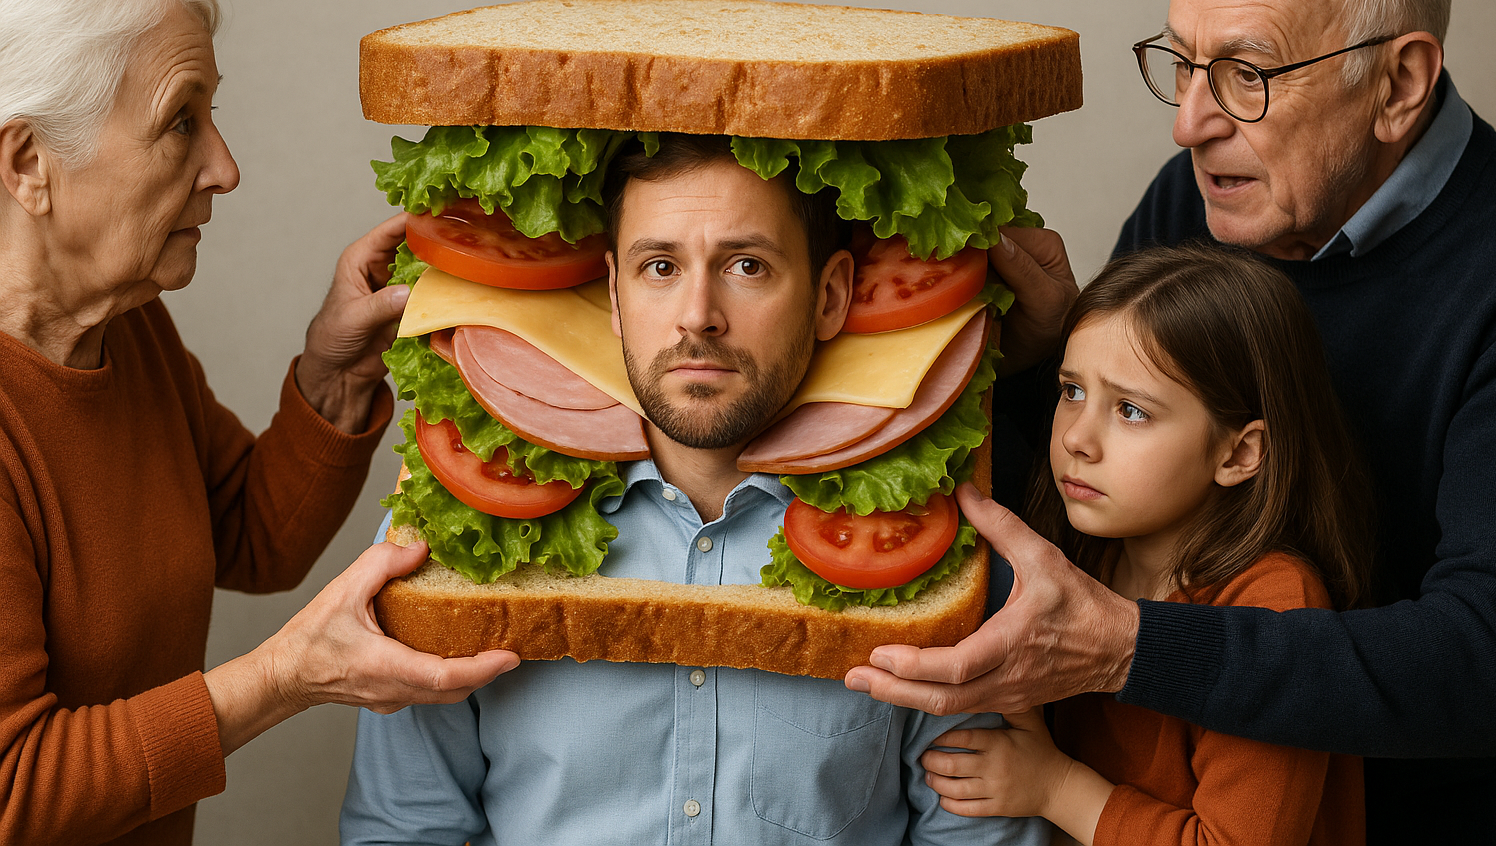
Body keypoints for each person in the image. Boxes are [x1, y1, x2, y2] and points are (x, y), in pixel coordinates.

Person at [844, 0, 1496, 842]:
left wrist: (1125, 649)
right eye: (1182, 63)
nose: (1188, 123)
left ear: (1399, 84)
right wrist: (1044, 356)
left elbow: (1491, 666)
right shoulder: (1205, 193)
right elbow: (1117, 477)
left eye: (1247, 74)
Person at [339, 136, 1046, 845]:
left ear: (830, 296)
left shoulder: (936, 555)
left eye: (747, 265)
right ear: (614, 293)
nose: (698, 315)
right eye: (660, 267)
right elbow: (401, 830)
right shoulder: (448, 541)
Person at [0, 0, 518, 846]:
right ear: (30, 165)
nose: (225, 168)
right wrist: (281, 677)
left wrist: (334, 372)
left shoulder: (131, 329)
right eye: (180, 121)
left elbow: (247, 536)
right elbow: (12, 790)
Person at [921, 244, 1370, 844]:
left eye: (1131, 410)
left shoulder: (1274, 603)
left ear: (1239, 453)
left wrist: (1054, 787)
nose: (1078, 437)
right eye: (1072, 391)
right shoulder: (1086, 555)